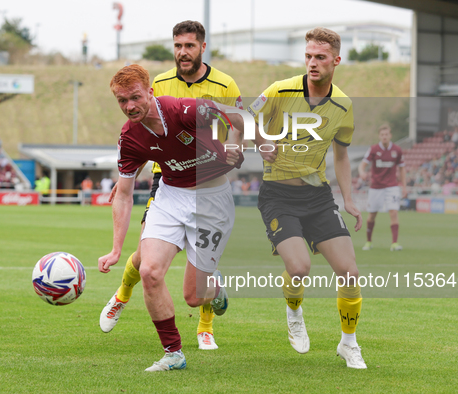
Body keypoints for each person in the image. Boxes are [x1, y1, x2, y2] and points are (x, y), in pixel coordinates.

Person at [100, 20, 243, 351]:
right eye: (178, 46)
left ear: (202, 47)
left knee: (193, 294)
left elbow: (239, 119)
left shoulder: (223, 84)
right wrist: (128, 175)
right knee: (145, 261)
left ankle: (206, 319)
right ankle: (124, 297)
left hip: (209, 183)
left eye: (189, 45)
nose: (183, 51)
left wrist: (236, 149)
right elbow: (143, 136)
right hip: (166, 178)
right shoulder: (160, 81)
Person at [246, 27, 366, 369]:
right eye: (309, 56)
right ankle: (294, 313)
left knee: (350, 273)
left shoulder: (343, 105)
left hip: (318, 197)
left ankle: (348, 343)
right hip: (278, 195)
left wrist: (350, 199)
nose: (312, 63)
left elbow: (341, 156)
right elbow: (244, 115)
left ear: (336, 61)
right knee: (299, 267)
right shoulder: (279, 90)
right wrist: (261, 141)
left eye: (320, 57)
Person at [358, 124, 407, 251]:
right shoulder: (373, 149)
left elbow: (402, 169)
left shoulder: (397, 150)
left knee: (394, 212)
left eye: (386, 134)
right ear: (379, 136)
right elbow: (362, 165)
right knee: (372, 215)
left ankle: (394, 243)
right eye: (382, 135)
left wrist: (404, 186)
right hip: (376, 187)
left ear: (390, 135)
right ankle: (368, 242)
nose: (384, 137)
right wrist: (362, 172)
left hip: (392, 186)